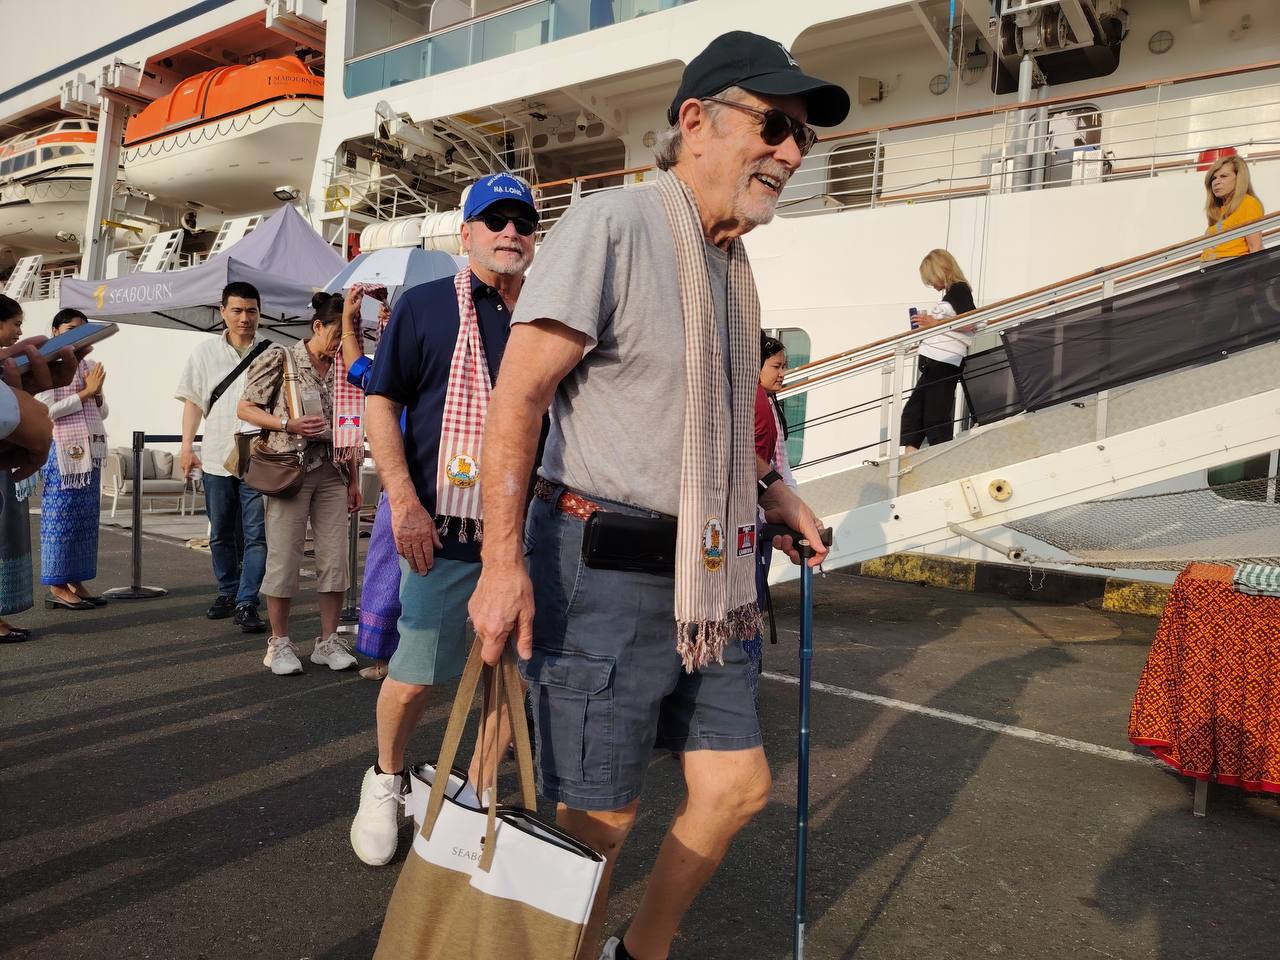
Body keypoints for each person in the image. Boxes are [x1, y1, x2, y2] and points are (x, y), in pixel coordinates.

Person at [467, 32, 840, 960]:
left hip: (713, 575)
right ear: (696, 121)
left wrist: (772, 489)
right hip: (603, 574)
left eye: (803, 137)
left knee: (738, 788)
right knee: (597, 821)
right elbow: (518, 399)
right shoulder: (615, 225)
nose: (793, 153)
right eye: (776, 126)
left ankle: (639, 952)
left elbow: (702, 419)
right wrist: (503, 566)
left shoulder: (732, 265)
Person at [349, 172, 538, 868]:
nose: (510, 233)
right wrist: (403, 500)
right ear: (466, 233)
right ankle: (386, 776)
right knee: (417, 672)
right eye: (495, 220)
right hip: (445, 530)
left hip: (528, 534)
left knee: (510, 673)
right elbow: (380, 400)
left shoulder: (549, 312)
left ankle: (474, 790)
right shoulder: (426, 306)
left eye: (522, 222)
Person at [237, 292, 363, 675]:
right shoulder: (282, 357)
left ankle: (328, 640)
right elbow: (245, 407)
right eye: (337, 334)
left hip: (334, 471)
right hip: (290, 471)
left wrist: (354, 480)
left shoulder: (346, 368)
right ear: (317, 326)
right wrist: (288, 424)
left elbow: (350, 425)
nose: (341, 343)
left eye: (348, 335)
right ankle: (279, 643)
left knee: (335, 558)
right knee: (284, 556)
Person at [175, 282, 269, 634]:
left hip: (259, 457)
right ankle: (228, 591)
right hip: (215, 456)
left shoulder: (274, 352)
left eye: (251, 311)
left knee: (257, 535)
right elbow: (193, 402)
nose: (245, 318)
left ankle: (247, 601)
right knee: (220, 533)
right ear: (223, 312)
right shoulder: (204, 353)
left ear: (259, 313)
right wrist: (187, 447)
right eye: (237, 310)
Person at [32, 309, 109, 610]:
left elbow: (102, 413)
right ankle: (56, 585)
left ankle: (75, 580)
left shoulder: (87, 365)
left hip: (88, 453)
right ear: (55, 331)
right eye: (70, 329)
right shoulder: (47, 365)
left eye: (83, 329)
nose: (77, 334)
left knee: (84, 521)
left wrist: (97, 394)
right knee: (60, 518)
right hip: (60, 451)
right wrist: (87, 393)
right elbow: (46, 411)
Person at [747, 334, 797, 693]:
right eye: (776, 366)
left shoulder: (762, 402)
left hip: (758, 513)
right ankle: (747, 684)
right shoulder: (761, 404)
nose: (782, 374)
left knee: (749, 604)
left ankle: (747, 683)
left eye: (783, 367)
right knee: (751, 604)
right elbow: (773, 466)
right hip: (757, 515)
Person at [900, 249, 977, 453]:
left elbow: (970, 323)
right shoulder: (953, 292)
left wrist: (934, 323)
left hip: (944, 362)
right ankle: (910, 458)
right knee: (914, 411)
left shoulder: (959, 290)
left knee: (935, 413)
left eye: (930, 279)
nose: (931, 285)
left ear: (941, 271)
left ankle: (939, 456)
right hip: (936, 361)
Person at [1201, 154, 1264, 261]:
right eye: (1213, 178)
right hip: (1211, 268)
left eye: (1223, 176)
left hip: (1232, 266)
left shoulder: (1248, 203)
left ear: (1239, 178)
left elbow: (1255, 247)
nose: (1216, 182)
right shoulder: (1218, 210)